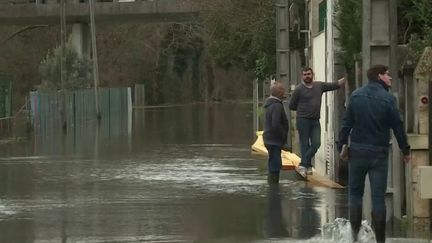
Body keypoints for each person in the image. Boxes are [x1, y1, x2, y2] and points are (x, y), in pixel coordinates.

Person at [338, 64, 411, 243]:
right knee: (378, 198)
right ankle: (380, 240)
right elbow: (398, 126)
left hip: (358, 153)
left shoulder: (355, 96)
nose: (391, 78)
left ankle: (354, 237)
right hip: (379, 154)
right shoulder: (388, 99)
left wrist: (342, 146)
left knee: (355, 194)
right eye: (388, 75)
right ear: (379, 76)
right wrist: (405, 149)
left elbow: (346, 124)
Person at [289, 67, 345, 177]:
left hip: (315, 120)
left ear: (312, 74)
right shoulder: (299, 89)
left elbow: (334, 85)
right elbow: (292, 105)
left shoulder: (319, 86)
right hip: (303, 120)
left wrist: (345, 78)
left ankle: (303, 164)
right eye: (305, 75)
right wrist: (303, 110)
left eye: (309, 74)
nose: (307, 76)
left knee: (316, 143)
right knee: (304, 144)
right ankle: (306, 166)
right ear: (302, 76)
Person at [263, 82, 289, 184]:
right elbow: (276, 124)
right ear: (279, 93)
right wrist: (283, 136)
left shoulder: (270, 104)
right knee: (275, 164)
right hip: (274, 140)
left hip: (269, 139)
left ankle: (272, 184)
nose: (284, 92)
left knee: (273, 162)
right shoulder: (277, 106)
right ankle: (273, 187)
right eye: (283, 90)